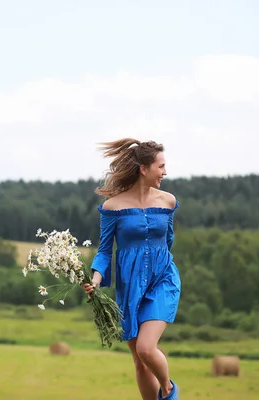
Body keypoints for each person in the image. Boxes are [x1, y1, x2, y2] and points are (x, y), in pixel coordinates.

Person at [83, 138, 181, 400]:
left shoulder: (169, 202)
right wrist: (95, 278)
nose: (165, 172)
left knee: (147, 349)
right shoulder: (113, 208)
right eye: (160, 166)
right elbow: (105, 251)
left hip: (163, 280)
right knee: (139, 360)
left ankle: (169, 391)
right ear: (144, 169)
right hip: (129, 287)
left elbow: (168, 242)